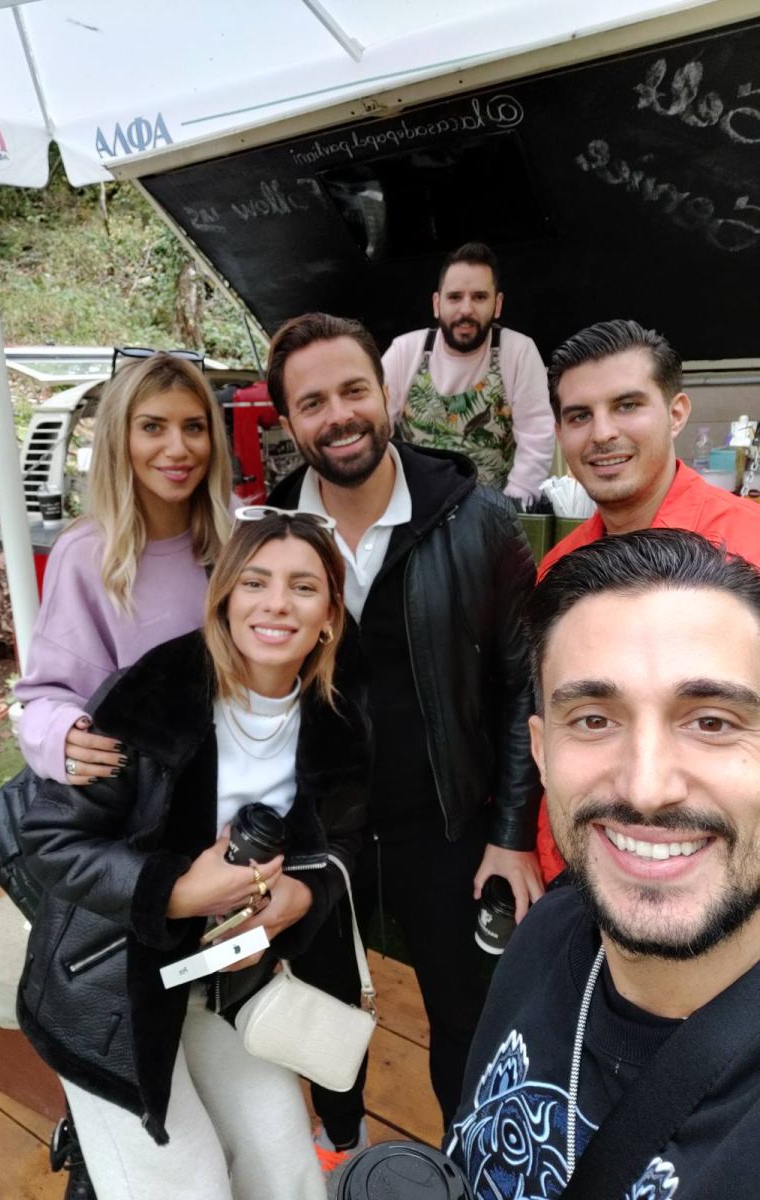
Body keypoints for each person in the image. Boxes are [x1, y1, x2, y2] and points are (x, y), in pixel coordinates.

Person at [16, 511, 371, 1200]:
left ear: (330, 615)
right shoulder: (159, 691)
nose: (276, 604)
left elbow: (343, 840)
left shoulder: (336, 719)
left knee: (288, 1173)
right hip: (110, 981)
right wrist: (175, 892)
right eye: (255, 583)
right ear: (225, 599)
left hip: (222, 980)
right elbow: (51, 840)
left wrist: (300, 896)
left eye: (303, 587)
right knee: (190, 1185)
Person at [264, 311, 543, 1184]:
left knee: (466, 1017)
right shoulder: (265, 538)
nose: (339, 415)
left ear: (385, 394)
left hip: (449, 823)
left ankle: (471, 1166)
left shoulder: (479, 521)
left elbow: (524, 688)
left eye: (353, 390)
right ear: (288, 422)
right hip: (322, 831)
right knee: (323, 1009)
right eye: (312, 402)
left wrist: (509, 834)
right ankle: (340, 1147)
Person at [447, 529, 760, 1199]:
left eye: (711, 722)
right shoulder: (546, 931)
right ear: (541, 752)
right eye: (593, 720)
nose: (645, 789)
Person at [536, 319, 760, 880]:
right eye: (579, 416)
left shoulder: (751, 544)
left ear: (676, 412)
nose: (602, 433)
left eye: (627, 405)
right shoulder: (558, 569)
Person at [14, 351, 232, 786]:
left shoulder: (240, 535)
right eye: (153, 427)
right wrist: (59, 738)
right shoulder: (85, 555)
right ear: (119, 438)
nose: (178, 448)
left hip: (243, 783)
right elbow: (46, 697)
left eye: (194, 427)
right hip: (149, 795)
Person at [383, 241, 555, 502]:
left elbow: (537, 438)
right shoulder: (405, 351)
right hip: (415, 509)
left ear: (497, 304)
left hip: (492, 510)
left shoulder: (518, 351)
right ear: (437, 304)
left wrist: (510, 508)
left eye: (479, 297)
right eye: (455, 297)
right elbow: (374, 427)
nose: (466, 309)